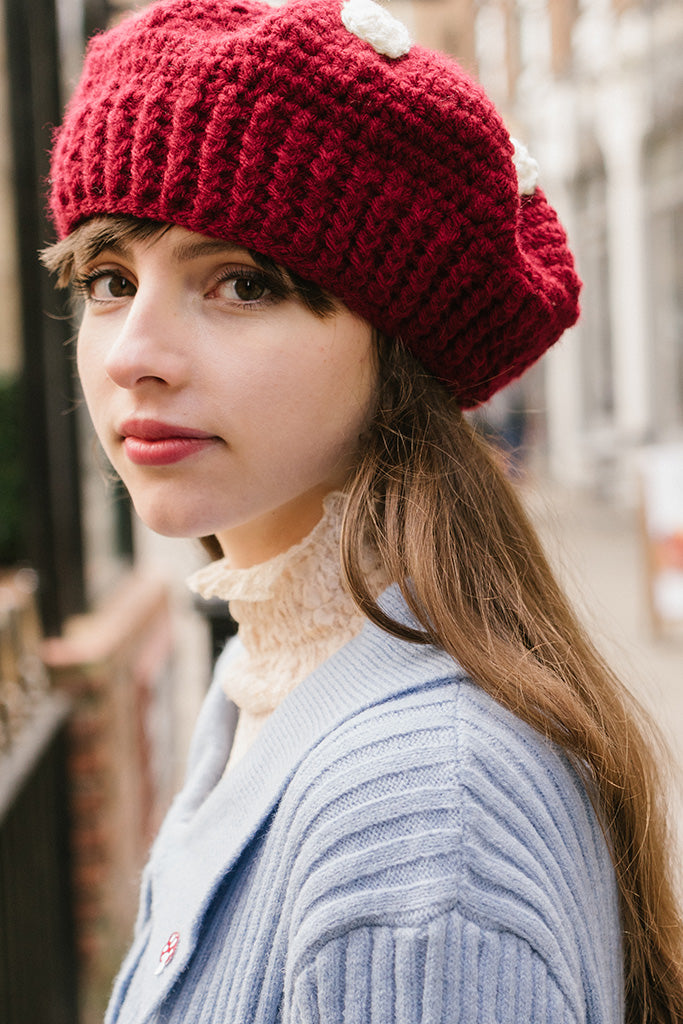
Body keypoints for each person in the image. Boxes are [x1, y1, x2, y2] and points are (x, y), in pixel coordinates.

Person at [42, 0, 683, 1020]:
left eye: (241, 282)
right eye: (110, 277)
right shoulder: (264, 679)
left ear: (394, 347)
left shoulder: (419, 825)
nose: (131, 354)